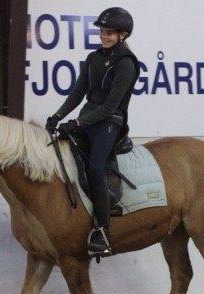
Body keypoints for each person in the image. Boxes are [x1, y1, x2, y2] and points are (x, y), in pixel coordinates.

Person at [46, 7, 140, 258]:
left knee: (96, 166)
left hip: (111, 121)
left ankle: (102, 230)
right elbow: (77, 94)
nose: (104, 36)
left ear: (122, 35)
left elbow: (110, 106)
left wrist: (77, 123)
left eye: (110, 33)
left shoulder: (127, 64)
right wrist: (57, 116)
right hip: (89, 117)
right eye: (102, 31)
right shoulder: (93, 58)